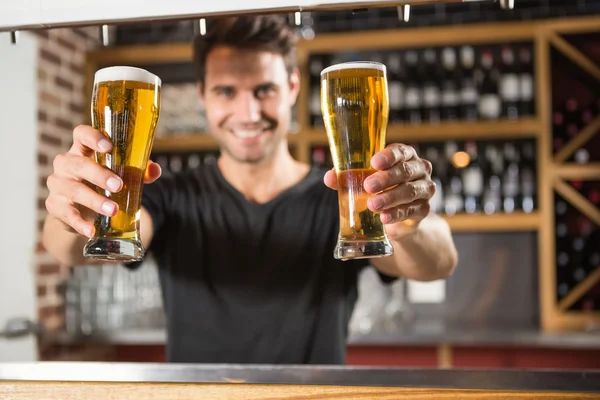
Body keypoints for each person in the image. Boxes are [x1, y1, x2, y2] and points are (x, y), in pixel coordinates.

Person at [42, 15, 458, 364]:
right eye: (227, 92)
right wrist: (69, 211)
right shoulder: (173, 194)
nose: (249, 113)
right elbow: (70, 252)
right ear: (203, 95)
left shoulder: (343, 198)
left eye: (264, 90)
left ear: (293, 89)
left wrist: (407, 222)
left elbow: (438, 262)